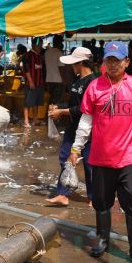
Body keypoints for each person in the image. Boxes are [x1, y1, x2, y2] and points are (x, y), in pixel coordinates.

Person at [69, 41, 132, 263]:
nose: (113, 64)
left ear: (127, 62)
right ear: (103, 63)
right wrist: (76, 147)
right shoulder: (94, 87)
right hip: (101, 156)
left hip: (130, 155)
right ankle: (103, 239)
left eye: (118, 60)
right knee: (101, 200)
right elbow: (86, 121)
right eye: (109, 60)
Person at [46, 47, 95, 206]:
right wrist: (58, 106)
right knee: (65, 158)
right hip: (73, 128)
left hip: (89, 130)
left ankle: (93, 196)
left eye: (74, 63)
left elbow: (84, 109)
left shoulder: (93, 83)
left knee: (89, 163)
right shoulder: (77, 81)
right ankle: (63, 194)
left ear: (81, 62)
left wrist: (61, 111)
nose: (72, 66)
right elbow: (73, 104)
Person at [22, 37, 45, 128]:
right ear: (34, 45)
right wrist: (31, 81)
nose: (40, 47)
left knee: (36, 102)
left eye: (41, 45)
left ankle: (35, 119)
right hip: (30, 83)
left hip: (39, 83)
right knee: (27, 103)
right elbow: (26, 69)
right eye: (39, 45)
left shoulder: (40, 56)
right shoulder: (28, 55)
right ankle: (26, 121)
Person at [44, 34, 65, 104]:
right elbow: (61, 68)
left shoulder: (47, 52)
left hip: (48, 80)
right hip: (58, 80)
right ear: (60, 43)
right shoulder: (59, 53)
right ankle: (54, 114)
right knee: (57, 101)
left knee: (51, 99)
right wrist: (63, 80)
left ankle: (49, 114)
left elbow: (45, 67)